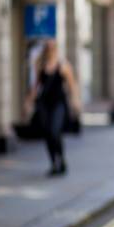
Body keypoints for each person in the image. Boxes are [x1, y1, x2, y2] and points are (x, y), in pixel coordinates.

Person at [25, 40, 81, 176]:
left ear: (56, 49)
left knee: (55, 131)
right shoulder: (41, 65)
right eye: (48, 48)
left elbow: (72, 85)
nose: (50, 50)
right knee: (47, 133)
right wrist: (28, 102)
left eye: (52, 48)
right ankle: (53, 163)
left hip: (58, 103)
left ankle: (61, 160)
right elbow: (36, 86)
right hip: (44, 104)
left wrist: (76, 102)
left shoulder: (63, 65)